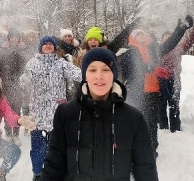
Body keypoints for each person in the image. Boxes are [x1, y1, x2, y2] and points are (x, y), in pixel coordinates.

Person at [42, 48, 159, 181]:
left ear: (114, 75)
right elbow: (54, 164)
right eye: (92, 70)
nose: (99, 76)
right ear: (85, 75)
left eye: (105, 70)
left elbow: (145, 169)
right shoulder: (65, 113)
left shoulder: (134, 118)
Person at [122, 15, 193, 156]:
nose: (140, 36)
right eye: (137, 34)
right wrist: (144, 67)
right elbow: (126, 69)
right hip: (137, 95)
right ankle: (134, 152)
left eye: (142, 33)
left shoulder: (153, 50)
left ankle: (151, 149)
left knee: (152, 124)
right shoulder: (129, 52)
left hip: (153, 93)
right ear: (132, 37)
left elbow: (170, 44)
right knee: (137, 124)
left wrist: (180, 29)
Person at [20, 36, 82, 181]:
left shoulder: (61, 63)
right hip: (38, 115)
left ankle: (58, 173)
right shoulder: (32, 63)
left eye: (50, 44)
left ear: (55, 47)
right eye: (45, 44)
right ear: (40, 47)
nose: (48, 46)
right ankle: (37, 174)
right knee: (38, 150)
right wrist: (25, 76)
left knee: (58, 148)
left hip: (58, 114)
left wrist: (95, 74)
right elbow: (23, 83)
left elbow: (79, 75)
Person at [0, 29, 26, 146]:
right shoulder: (3, 51)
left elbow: (27, 67)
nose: (14, 39)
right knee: (7, 110)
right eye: (12, 37)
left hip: (19, 85)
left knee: (17, 110)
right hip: (6, 85)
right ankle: (8, 133)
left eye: (16, 37)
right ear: (9, 39)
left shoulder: (23, 51)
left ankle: (16, 134)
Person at [156, 26, 194, 132]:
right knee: (161, 104)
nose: (168, 39)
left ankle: (175, 127)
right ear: (162, 40)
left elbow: (189, 41)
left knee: (174, 104)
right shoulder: (159, 50)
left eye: (170, 37)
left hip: (175, 80)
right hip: (161, 81)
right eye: (165, 37)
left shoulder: (179, 48)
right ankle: (163, 126)